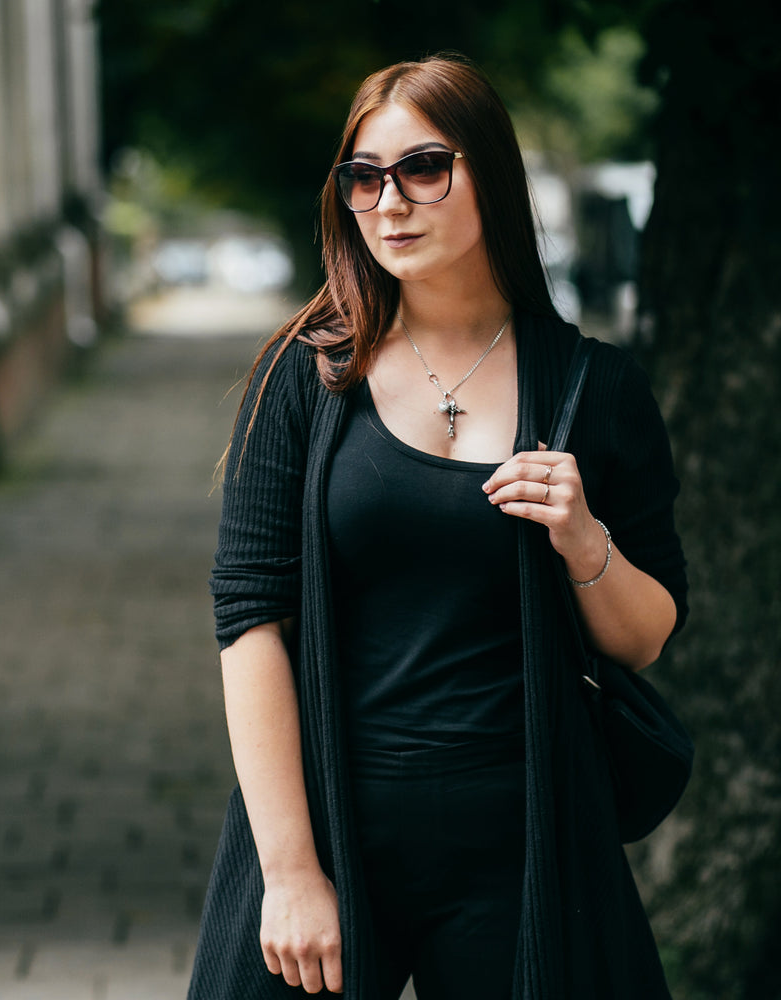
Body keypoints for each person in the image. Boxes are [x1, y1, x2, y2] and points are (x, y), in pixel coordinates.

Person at [188, 55, 688, 999]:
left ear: (490, 174)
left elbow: (647, 636)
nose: (390, 203)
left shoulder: (595, 387)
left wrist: (585, 539)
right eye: (363, 177)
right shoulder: (305, 377)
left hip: (524, 846)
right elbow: (250, 619)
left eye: (423, 168)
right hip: (331, 828)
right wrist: (289, 874)